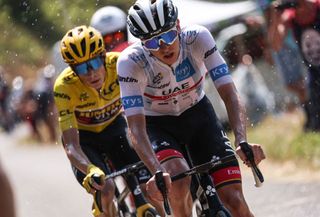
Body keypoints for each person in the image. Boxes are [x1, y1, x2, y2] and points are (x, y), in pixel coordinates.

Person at [117, 0, 266, 216]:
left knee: (234, 200)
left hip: (198, 115)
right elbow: (136, 130)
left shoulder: (198, 38)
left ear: (178, 26)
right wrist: (157, 171)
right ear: (141, 43)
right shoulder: (130, 63)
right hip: (158, 125)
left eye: (168, 36)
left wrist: (241, 139)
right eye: (152, 42)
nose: (163, 46)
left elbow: (229, 94)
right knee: (177, 180)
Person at [53, 25, 152, 217]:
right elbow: (72, 146)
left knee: (146, 185)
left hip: (115, 128)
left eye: (96, 63)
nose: (91, 73)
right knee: (105, 188)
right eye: (82, 67)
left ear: (104, 56)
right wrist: (90, 170)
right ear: (72, 69)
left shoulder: (119, 64)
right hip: (85, 140)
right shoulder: (64, 87)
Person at [255, 0, 311, 129]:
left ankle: (311, 113)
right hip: (282, 37)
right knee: (294, 82)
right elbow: (268, 14)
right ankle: (310, 112)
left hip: (294, 31)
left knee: (303, 79)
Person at [268, 0, 320, 131]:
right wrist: (275, 19)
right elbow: (276, 45)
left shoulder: (317, 6)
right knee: (316, 123)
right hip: (314, 73)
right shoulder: (290, 17)